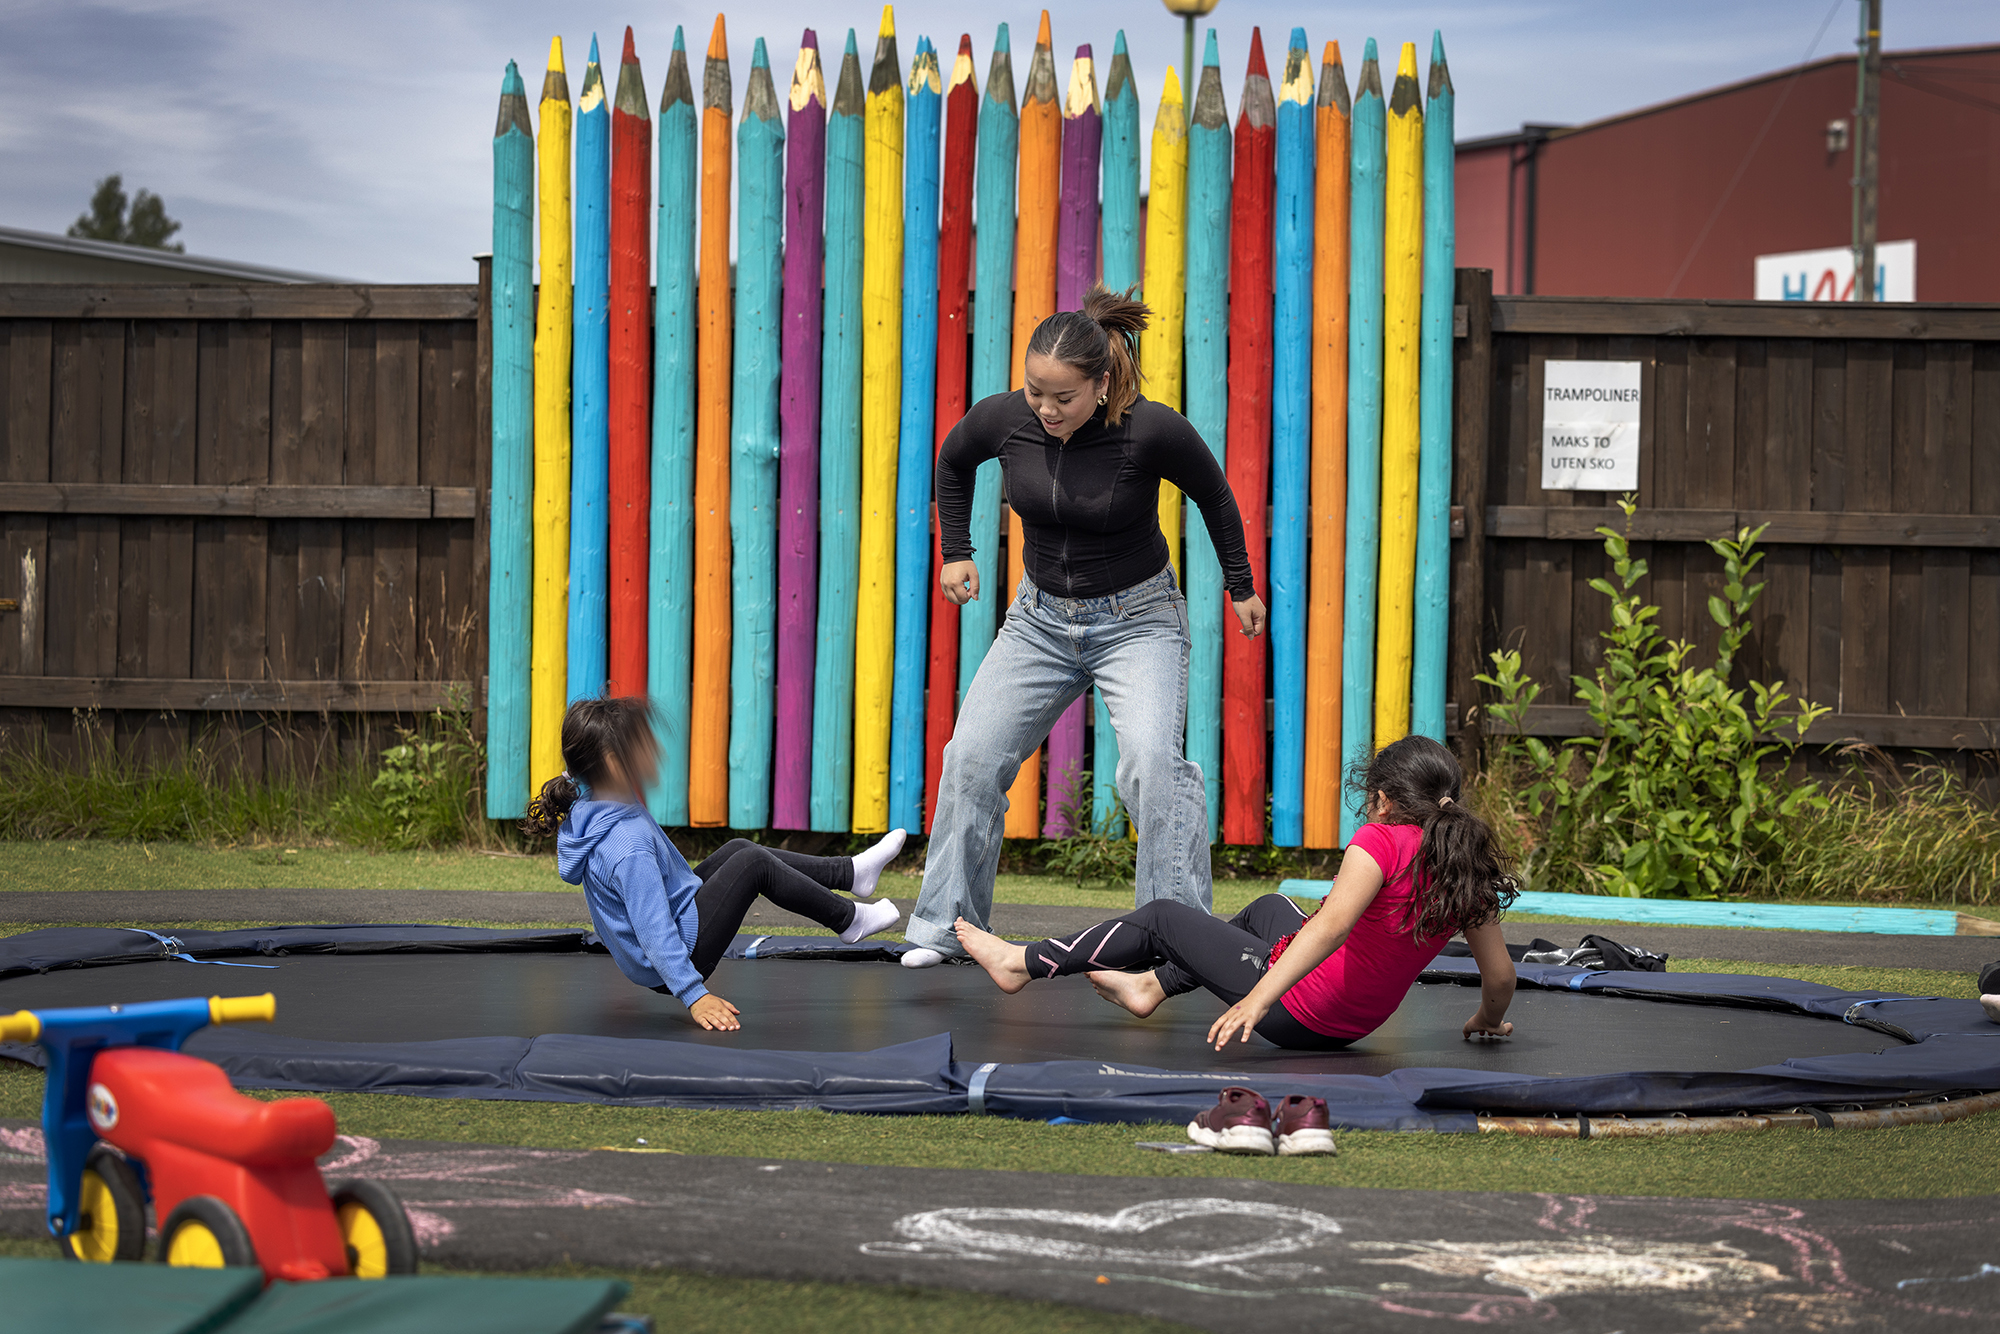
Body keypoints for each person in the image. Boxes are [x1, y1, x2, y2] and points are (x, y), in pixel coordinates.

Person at [905, 285, 1267, 967]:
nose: (1044, 409)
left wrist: (1240, 585)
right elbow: (953, 463)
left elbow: (1214, 495)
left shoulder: (1150, 429)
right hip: (1038, 623)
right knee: (972, 758)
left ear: (1101, 385)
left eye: (1061, 397)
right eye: (1035, 392)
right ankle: (946, 930)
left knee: (1155, 768)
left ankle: (1181, 944)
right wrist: (958, 549)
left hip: (1139, 623)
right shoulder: (1006, 419)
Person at [954, 736, 1520, 1051]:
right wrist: (1486, 1021)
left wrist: (1259, 1000)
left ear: (1384, 799)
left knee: (1163, 918)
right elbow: (1500, 978)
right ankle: (1150, 987)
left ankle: (1020, 963)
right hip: (1356, 1022)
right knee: (1269, 908)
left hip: (1303, 1012)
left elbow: (1331, 927)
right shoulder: (1465, 864)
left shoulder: (1381, 841)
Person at [522, 696, 908, 1031]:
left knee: (738, 847)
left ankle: (852, 873)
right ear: (613, 763)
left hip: (677, 917)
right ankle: (850, 921)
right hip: (677, 954)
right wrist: (694, 994)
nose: (653, 751)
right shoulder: (627, 847)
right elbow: (653, 928)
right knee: (754, 863)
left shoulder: (596, 800)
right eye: (641, 746)